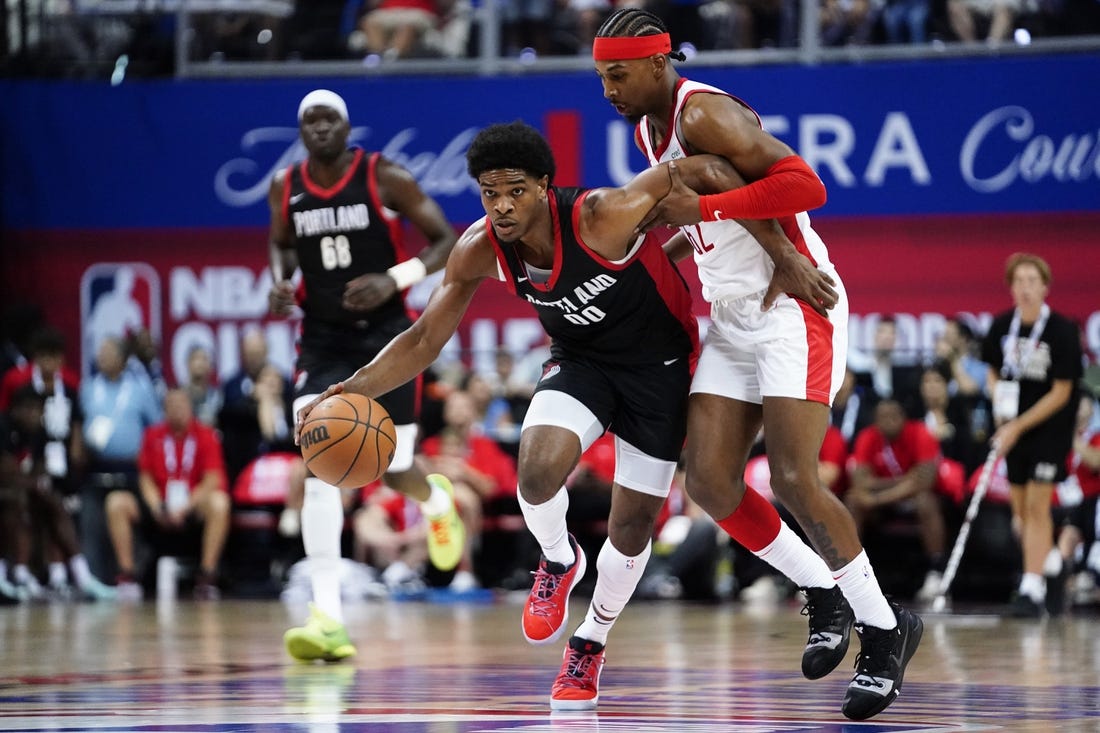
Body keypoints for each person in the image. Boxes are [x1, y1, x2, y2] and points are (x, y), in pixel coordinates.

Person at [296, 120, 836, 711]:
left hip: (658, 368)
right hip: (580, 361)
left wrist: (780, 247)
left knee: (631, 530)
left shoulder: (602, 214)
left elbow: (702, 169)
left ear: (545, 186)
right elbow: (424, 339)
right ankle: (558, 557)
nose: (502, 205)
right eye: (489, 192)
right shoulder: (480, 246)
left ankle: (590, 643)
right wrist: (348, 389)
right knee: (536, 468)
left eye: (516, 191)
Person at [591, 10, 923, 720]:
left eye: (619, 74)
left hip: (792, 306)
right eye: (600, 77)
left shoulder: (702, 114)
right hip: (734, 314)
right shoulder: (649, 127)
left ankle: (889, 630)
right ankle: (822, 588)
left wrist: (721, 217)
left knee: (797, 478)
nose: (609, 90)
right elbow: (704, 224)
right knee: (710, 482)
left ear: (657, 66)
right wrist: (672, 249)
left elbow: (805, 185)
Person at [268, 89, 463, 662]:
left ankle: (435, 504)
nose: (321, 128)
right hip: (322, 340)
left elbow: (446, 241)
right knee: (320, 462)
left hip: (385, 337)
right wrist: (282, 282)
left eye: (330, 119)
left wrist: (395, 279)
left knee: (394, 466)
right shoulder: (285, 186)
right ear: (302, 129)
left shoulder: (384, 176)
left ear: (347, 126)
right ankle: (326, 615)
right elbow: (281, 247)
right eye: (310, 120)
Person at [981, 252, 1083, 618]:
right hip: (1012, 428)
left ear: (1044, 287)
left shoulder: (1062, 330)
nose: (1024, 288)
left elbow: (1062, 391)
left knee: (1039, 507)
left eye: (1031, 281)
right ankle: (1052, 560)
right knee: (1021, 512)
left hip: (1048, 430)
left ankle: (1031, 588)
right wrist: (1000, 405)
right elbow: (992, 372)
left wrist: (1017, 426)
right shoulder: (1001, 325)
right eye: (1018, 281)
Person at [105, 388, 230, 601]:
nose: (177, 410)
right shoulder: (152, 435)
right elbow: (145, 478)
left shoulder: (206, 435)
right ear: (164, 410)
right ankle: (127, 577)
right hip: (159, 508)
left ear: (190, 408)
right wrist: (157, 506)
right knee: (116, 502)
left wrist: (186, 507)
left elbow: (212, 479)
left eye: (181, 405)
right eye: (171, 405)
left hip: (191, 508)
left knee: (220, 502)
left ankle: (207, 576)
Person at [847, 398, 948, 603]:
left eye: (894, 416)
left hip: (911, 499)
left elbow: (924, 481)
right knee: (852, 500)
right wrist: (905, 480)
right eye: (883, 417)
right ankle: (848, 570)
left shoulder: (920, 432)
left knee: (925, 502)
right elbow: (861, 481)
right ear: (875, 420)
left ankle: (935, 571)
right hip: (886, 501)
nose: (888, 421)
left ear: (904, 417)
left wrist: (878, 496)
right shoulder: (868, 436)